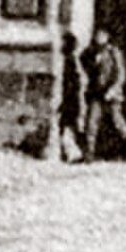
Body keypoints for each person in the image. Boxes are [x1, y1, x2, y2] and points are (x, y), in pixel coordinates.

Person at [78, 27, 126, 163]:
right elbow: (82, 60)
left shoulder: (114, 53)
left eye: (102, 35)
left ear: (107, 37)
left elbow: (121, 74)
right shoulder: (91, 52)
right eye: (97, 35)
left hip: (112, 94)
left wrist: (113, 89)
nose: (99, 38)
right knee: (91, 122)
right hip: (97, 93)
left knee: (117, 122)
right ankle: (89, 154)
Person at [57, 31, 87, 163]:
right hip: (72, 99)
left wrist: (63, 100)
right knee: (69, 126)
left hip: (70, 99)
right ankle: (73, 152)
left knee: (66, 125)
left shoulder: (70, 61)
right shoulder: (73, 60)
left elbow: (72, 83)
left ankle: (74, 153)